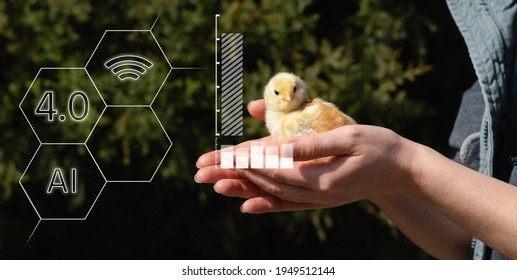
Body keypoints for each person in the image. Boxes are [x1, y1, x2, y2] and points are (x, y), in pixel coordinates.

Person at [195, 1, 517, 259]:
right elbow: (472, 249)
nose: (289, 97)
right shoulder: (497, 76)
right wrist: (377, 180)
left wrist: (409, 167)